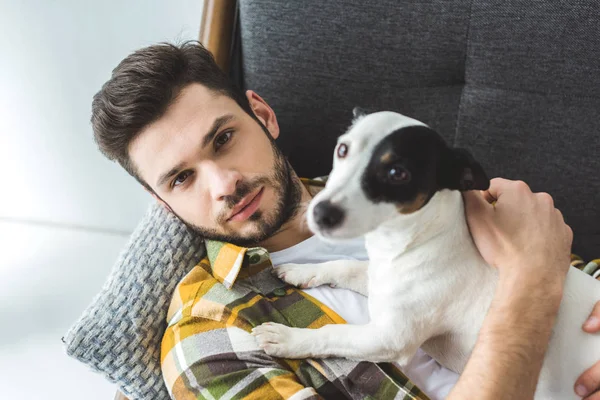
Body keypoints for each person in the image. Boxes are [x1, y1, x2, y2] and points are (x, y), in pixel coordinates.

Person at [91, 41, 600, 400]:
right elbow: (539, 269)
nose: (223, 184)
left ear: (262, 115)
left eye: (223, 138)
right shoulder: (208, 338)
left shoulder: (434, 187)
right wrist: (529, 285)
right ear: (160, 204)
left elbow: (579, 279)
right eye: (181, 179)